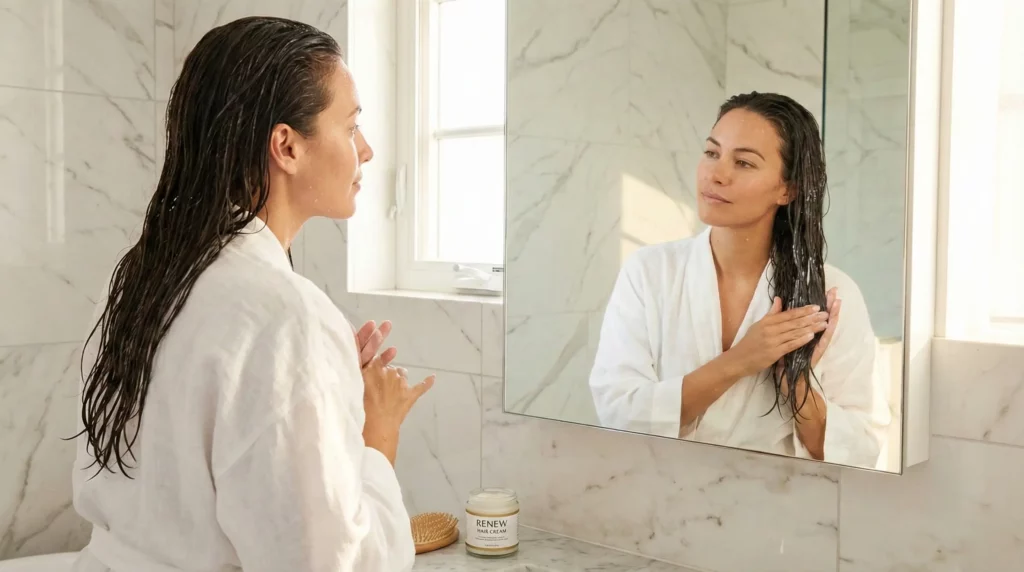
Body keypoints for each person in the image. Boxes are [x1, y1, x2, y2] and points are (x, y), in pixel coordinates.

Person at [70, 16, 432, 572]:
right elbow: (326, 562)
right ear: (286, 145)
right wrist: (374, 438)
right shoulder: (286, 314)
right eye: (351, 124)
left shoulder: (143, 275)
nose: (366, 150)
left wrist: (329, 396)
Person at [588, 92, 890, 468]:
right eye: (712, 153)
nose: (716, 174)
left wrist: (795, 384)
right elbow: (617, 412)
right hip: (658, 500)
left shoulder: (832, 293)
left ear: (787, 189)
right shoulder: (650, 273)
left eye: (744, 162)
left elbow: (863, 450)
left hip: (776, 512)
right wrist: (740, 361)